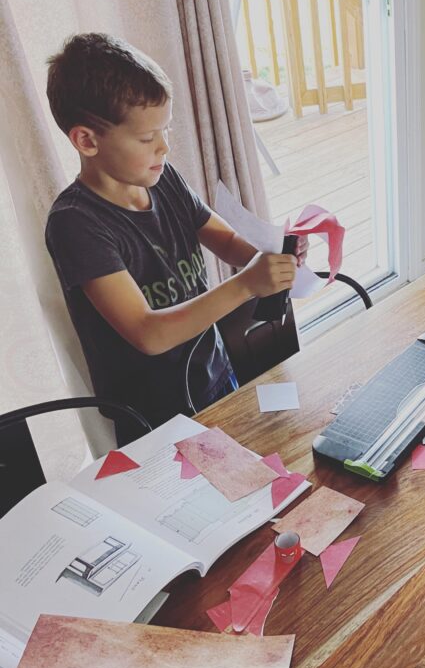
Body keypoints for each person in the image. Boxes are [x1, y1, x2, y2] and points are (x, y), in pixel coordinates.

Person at [44, 33, 305, 445]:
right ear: (87, 140)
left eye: (165, 131)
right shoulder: (76, 224)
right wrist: (247, 283)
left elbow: (227, 241)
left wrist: (271, 259)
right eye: (147, 138)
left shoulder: (163, 180)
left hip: (215, 375)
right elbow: (149, 334)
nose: (164, 147)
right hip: (152, 417)